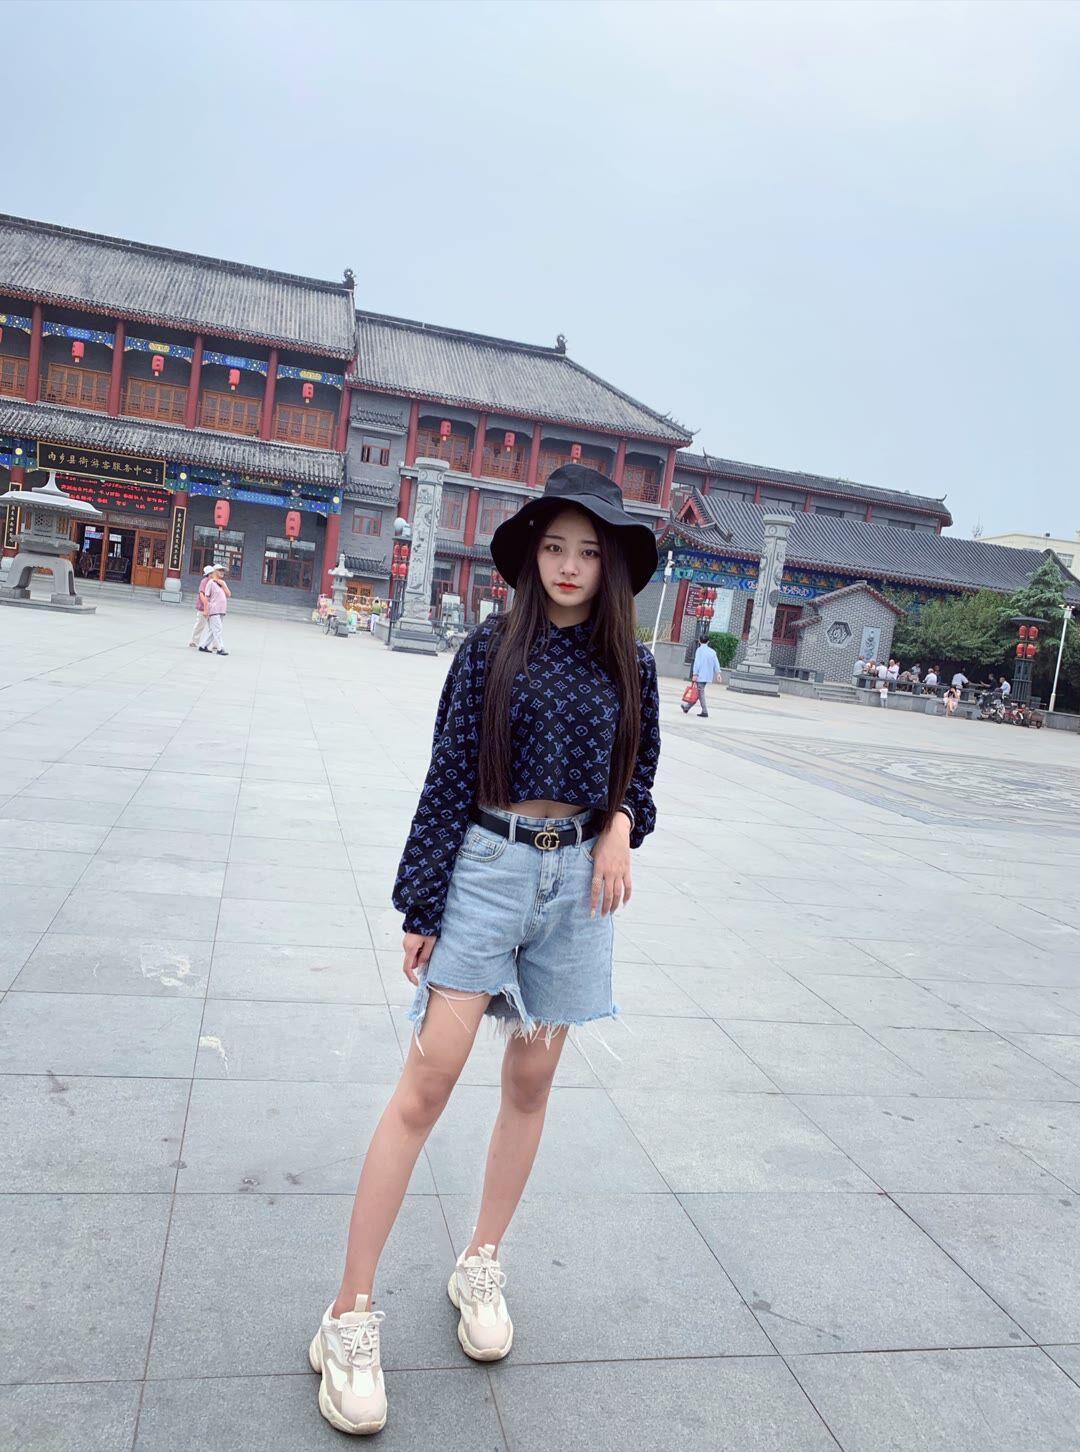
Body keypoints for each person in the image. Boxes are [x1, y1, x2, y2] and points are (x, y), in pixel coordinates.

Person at [309, 464, 661, 1436]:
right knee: (427, 1084)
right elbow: (447, 778)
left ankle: (481, 1261)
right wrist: (423, 904)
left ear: (612, 565)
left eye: (588, 552)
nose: (569, 566)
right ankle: (347, 1314)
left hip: (579, 888)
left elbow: (641, 770)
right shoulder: (487, 651)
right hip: (488, 871)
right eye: (554, 547)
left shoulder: (630, 665)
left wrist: (622, 826)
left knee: (531, 1083)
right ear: (530, 554)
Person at [684, 632, 722, 718]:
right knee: (699, 692)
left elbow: (697, 663)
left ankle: (704, 711)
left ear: (699, 641)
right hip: (708, 676)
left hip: (700, 675)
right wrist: (718, 673)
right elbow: (716, 663)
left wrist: (695, 674)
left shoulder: (699, 650)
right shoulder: (712, 652)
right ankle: (686, 708)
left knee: (700, 693)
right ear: (708, 641)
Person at [199, 565, 231, 656]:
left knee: (213, 630)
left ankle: (203, 646)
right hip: (214, 609)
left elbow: (228, 594)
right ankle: (220, 648)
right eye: (220, 570)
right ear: (215, 571)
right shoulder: (211, 583)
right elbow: (207, 597)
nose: (222, 572)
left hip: (221, 610)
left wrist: (223, 585)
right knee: (218, 629)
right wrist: (206, 610)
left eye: (223, 571)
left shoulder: (222, 583)